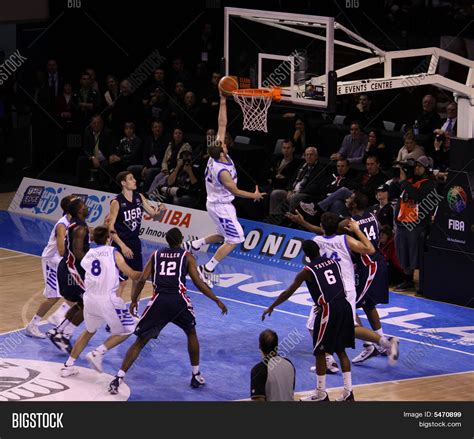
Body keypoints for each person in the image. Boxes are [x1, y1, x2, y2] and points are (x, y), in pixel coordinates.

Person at [108, 228, 228, 394]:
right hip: (179, 302)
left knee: (140, 341)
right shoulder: (187, 256)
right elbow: (199, 283)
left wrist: (135, 300)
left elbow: (142, 278)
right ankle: (195, 374)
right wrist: (216, 300)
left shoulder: (156, 255)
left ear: (167, 240)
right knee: (191, 333)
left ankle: (118, 377)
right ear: (181, 241)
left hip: (159, 302)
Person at [286, 211, 399, 366]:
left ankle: (329, 359)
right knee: (349, 325)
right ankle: (382, 342)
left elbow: (314, 254)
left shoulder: (317, 241)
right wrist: (357, 230)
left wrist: (303, 222)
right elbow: (370, 249)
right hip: (348, 287)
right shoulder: (346, 239)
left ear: (321, 226)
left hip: (332, 288)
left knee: (314, 325)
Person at [181, 94, 266, 287]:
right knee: (235, 239)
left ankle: (194, 245)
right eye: (223, 144)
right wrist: (254, 195)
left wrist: (221, 100)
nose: (225, 142)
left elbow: (222, 124)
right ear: (221, 152)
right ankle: (207, 268)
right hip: (221, 207)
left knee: (223, 235)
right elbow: (236, 191)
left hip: (216, 203)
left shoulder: (215, 155)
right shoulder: (222, 171)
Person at [262, 240, 355, 402]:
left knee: (320, 351)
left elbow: (288, 292)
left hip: (329, 309)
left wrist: (272, 306)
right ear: (318, 250)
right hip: (344, 305)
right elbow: (333, 284)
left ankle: (321, 393)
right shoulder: (334, 262)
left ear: (305, 255)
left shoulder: (307, 271)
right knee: (341, 350)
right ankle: (348, 392)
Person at [60, 226, 142, 377]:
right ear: (108, 239)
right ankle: (98, 352)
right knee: (131, 328)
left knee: (89, 331)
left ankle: (68, 366)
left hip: (90, 299)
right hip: (108, 300)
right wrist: (149, 273)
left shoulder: (88, 255)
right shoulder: (114, 253)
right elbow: (132, 274)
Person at [344, 193, 390, 364]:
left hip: (369, 265)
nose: (347, 200)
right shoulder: (372, 215)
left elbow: (331, 229)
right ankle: (381, 342)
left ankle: (369, 345)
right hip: (375, 262)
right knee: (369, 305)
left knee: (348, 305)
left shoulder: (350, 222)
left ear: (355, 205)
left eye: (349, 198)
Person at [108, 171, 166, 300]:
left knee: (138, 278)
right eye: (130, 179)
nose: (134, 180)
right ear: (123, 183)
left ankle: (133, 309)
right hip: (120, 244)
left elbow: (154, 216)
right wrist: (122, 246)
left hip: (134, 242)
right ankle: (114, 310)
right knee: (121, 281)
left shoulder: (139, 197)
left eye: (133, 178)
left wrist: (162, 211)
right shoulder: (116, 202)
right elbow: (110, 228)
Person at [25, 195, 76, 338]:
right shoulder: (62, 224)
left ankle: (59, 318)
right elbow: (61, 249)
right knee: (53, 297)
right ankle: (32, 326)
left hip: (62, 261)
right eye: (76, 202)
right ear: (69, 208)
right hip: (52, 261)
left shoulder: (75, 221)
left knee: (73, 293)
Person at [47, 199, 90, 353]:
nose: (87, 208)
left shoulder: (74, 225)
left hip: (69, 269)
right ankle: (65, 335)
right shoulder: (80, 228)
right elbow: (78, 252)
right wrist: (93, 264)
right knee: (90, 304)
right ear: (79, 210)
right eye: (84, 206)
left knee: (81, 303)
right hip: (72, 271)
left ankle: (58, 331)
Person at [393, 156, 438, 292]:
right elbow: (402, 200)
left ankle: (422, 283)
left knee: (414, 254)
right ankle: (408, 280)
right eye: (416, 165)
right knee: (403, 253)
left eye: (420, 166)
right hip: (402, 223)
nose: (417, 168)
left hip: (416, 224)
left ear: (427, 169)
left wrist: (405, 182)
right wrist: (396, 218)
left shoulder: (430, 184)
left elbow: (416, 196)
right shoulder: (409, 181)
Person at [249, 330, 296, 402]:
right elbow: (290, 392)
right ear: (277, 347)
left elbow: (258, 401)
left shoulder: (258, 370)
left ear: (260, 347)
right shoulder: (289, 364)